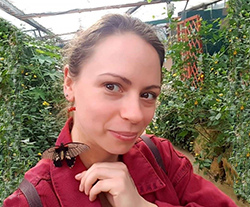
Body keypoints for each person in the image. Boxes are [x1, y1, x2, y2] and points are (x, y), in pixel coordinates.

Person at [4, 13, 237, 207]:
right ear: (69, 84)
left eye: (148, 95)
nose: (135, 115)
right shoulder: (33, 200)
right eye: (112, 86)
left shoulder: (162, 159)